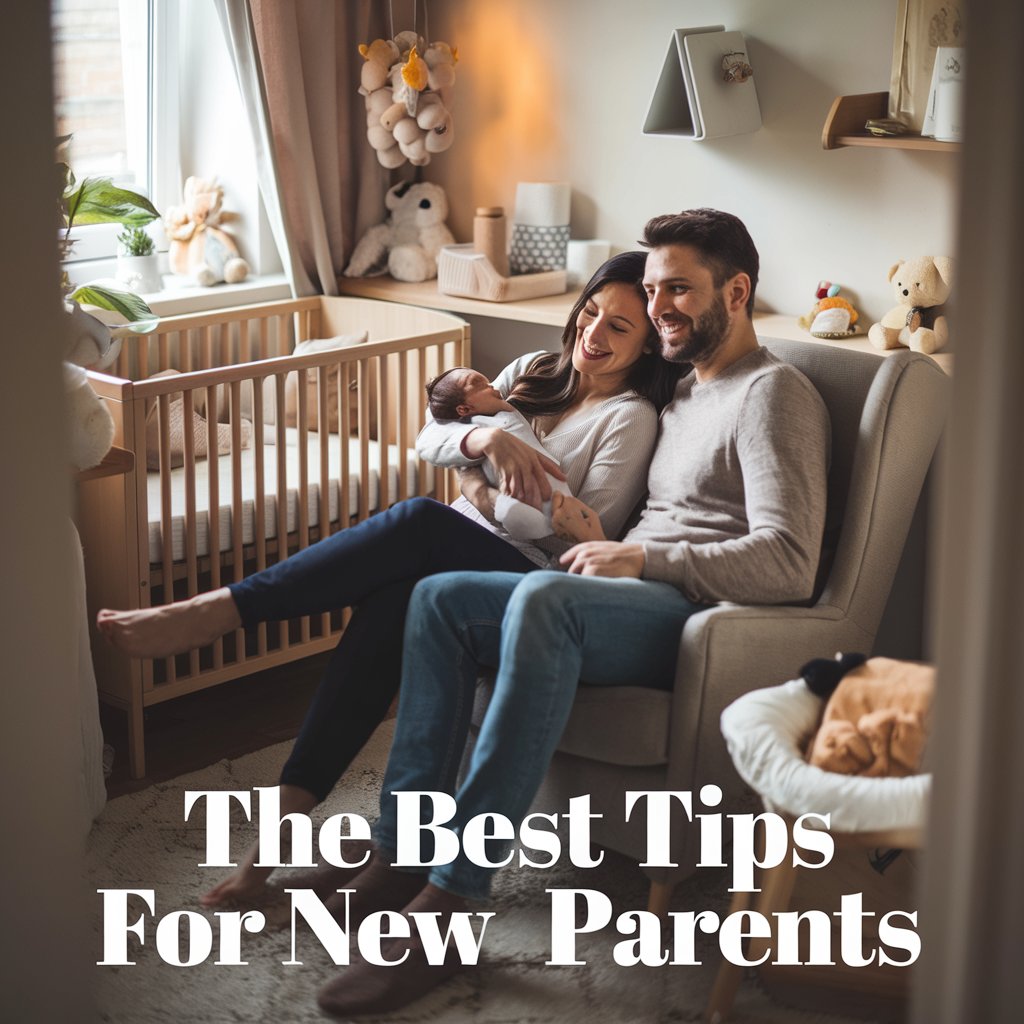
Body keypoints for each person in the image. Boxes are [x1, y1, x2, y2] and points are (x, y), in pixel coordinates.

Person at [315, 209, 832, 1018]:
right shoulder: (687, 394)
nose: (660, 306)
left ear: (736, 292)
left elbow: (791, 564)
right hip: (627, 594)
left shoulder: (774, 394)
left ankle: (448, 911)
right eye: (654, 288)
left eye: (680, 290)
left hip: (699, 621)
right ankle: (401, 853)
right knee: (440, 597)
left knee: (547, 598)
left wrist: (641, 557)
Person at [95, 251, 684, 907]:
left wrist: (481, 497)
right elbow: (430, 435)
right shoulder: (532, 371)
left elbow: (571, 530)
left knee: (416, 520)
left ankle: (222, 611)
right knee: (386, 607)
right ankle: (265, 858)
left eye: (620, 328)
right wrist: (482, 447)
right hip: (460, 549)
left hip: (528, 579)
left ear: (648, 347)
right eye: (591, 313)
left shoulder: (631, 418)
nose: (593, 335)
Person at [423, 366, 573, 540]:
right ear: (463, 409)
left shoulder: (503, 411)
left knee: (419, 512)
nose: (493, 386)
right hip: (506, 505)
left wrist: (473, 488)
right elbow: (432, 426)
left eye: (487, 382)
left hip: (543, 497)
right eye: (479, 384)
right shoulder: (470, 428)